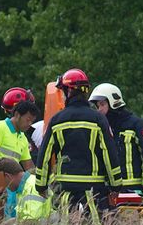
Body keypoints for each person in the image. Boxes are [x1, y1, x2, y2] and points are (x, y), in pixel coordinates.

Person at [35, 68, 121, 216]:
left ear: (68, 91)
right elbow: (108, 153)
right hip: (93, 185)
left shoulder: (56, 120)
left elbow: (45, 155)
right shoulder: (98, 119)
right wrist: (116, 185)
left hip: (66, 186)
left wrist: (40, 185)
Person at [89, 83, 143, 203]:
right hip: (108, 191)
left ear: (113, 103)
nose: (99, 110)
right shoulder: (101, 128)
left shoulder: (136, 124)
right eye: (97, 106)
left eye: (102, 105)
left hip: (134, 190)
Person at [0, 93, 38, 174]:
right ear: (17, 115)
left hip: (11, 183)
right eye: (28, 120)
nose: (30, 124)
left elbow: (29, 166)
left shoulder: (23, 138)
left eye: (32, 121)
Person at [0, 157, 50, 222]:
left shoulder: (31, 188)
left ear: (7, 176)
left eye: (1, 181)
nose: (2, 186)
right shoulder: (24, 187)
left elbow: (33, 223)